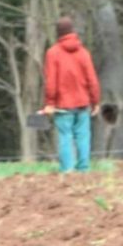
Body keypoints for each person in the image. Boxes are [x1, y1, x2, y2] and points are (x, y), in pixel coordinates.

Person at [39, 17, 102, 172]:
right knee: (83, 137)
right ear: (73, 31)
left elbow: (51, 81)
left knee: (65, 137)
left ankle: (67, 170)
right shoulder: (83, 53)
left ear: (58, 33)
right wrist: (95, 102)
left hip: (62, 105)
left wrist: (49, 103)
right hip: (83, 103)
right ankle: (83, 169)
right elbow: (92, 80)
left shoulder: (52, 53)